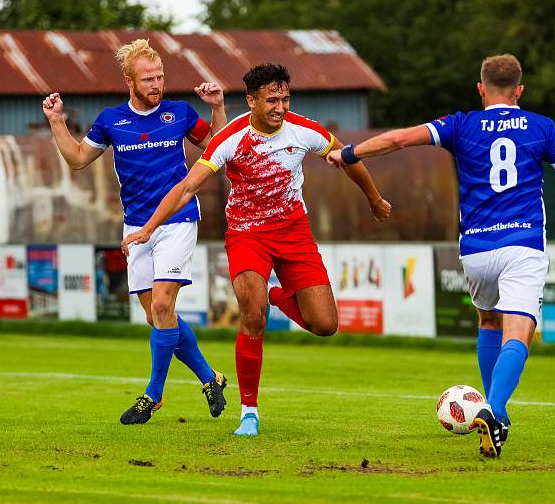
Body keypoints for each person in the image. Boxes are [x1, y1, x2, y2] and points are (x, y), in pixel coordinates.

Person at [327, 54, 555, 458]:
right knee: (518, 332)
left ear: (481, 89)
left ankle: (491, 407)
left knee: (488, 319)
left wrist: (350, 153)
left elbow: (398, 139)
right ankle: (495, 410)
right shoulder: (541, 127)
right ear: (520, 90)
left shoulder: (461, 123)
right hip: (522, 244)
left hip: (477, 249)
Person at [122, 63, 391, 436]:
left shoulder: (305, 129)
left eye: (284, 99)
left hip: (295, 232)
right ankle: (249, 411)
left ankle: (276, 296)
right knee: (252, 314)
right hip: (247, 234)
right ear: (251, 101)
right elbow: (186, 188)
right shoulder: (230, 138)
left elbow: (347, 158)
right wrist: (149, 228)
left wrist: (374, 199)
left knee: (325, 325)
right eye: (271, 100)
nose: (279, 107)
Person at [41, 38, 228, 425]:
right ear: (129, 80)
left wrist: (218, 107)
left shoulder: (178, 112)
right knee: (159, 317)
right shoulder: (111, 120)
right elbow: (77, 159)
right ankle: (211, 378)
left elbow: (217, 148)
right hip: (136, 227)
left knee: (162, 307)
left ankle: (152, 395)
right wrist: (57, 121)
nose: (156, 84)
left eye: (160, 77)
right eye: (148, 79)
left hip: (177, 220)